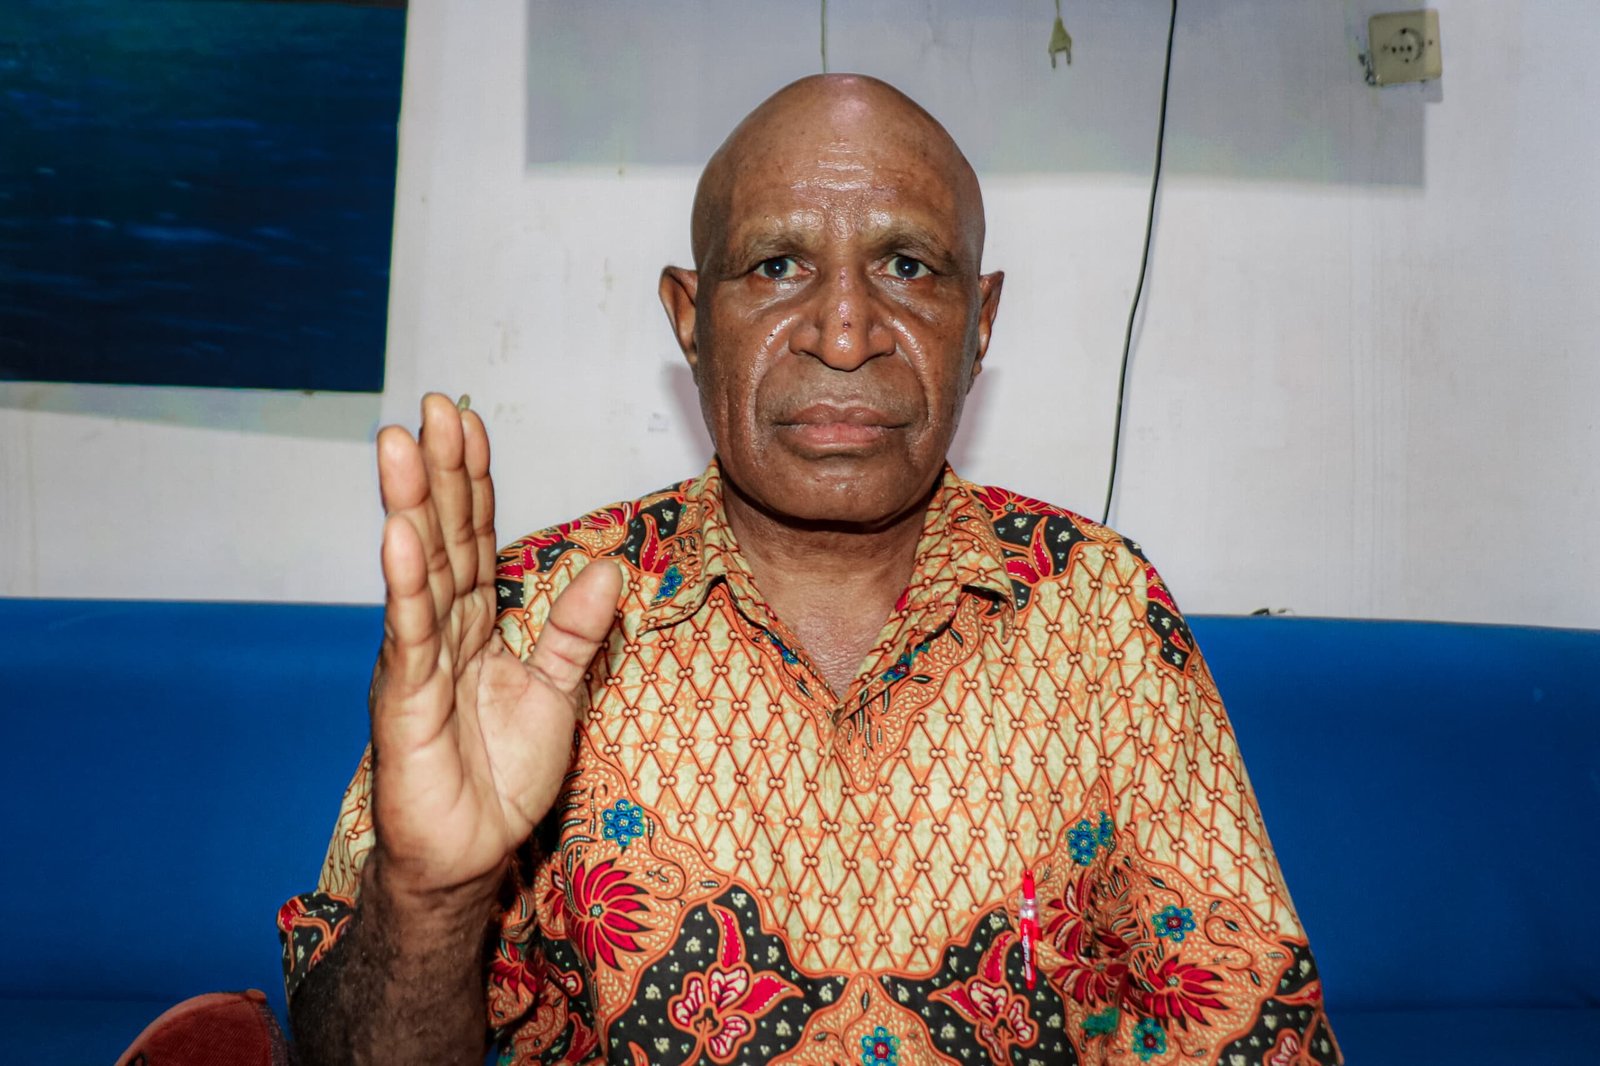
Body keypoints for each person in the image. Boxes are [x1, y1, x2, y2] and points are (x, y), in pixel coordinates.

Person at [280, 74, 1340, 1066]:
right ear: (690, 318)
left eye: (907, 266)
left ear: (980, 324)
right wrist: (430, 897)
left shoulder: (1099, 607)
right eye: (777, 266)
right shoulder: (528, 624)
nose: (843, 333)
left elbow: (1250, 1029)